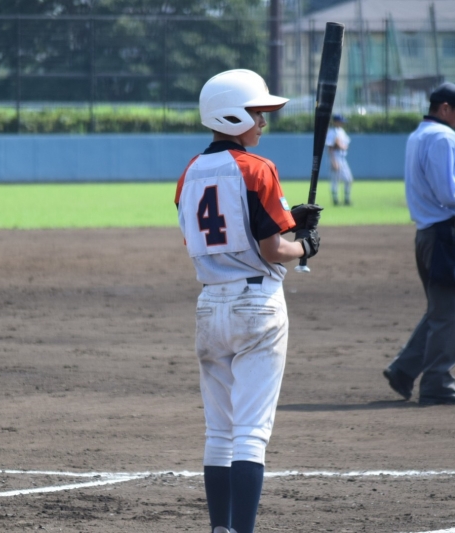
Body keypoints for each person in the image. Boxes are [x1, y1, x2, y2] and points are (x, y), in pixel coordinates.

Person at [175, 69, 321, 533]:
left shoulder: (188, 174)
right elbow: (271, 250)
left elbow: (209, 236)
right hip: (257, 308)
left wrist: (288, 221)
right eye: (258, 113)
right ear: (232, 115)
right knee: (251, 434)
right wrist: (304, 245)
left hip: (209, 306)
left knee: (219, 433)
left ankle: (221, 529)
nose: (263, 122)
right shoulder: (258, 168)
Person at [383, 82, 455, 406]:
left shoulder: (418, 135)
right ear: (445, 108)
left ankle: (403, 370)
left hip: (427, 234)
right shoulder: (443, 137)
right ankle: (437, 381)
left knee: (441, 309)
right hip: (446, 236)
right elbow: (449, 193)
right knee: (450, 312)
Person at [325, 113, 353, 206]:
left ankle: (347, 199)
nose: (342, 123)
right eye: (340, 121)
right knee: (335, 180)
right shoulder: (332, 132)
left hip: (342, 158)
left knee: (348, 179)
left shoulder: (341, 131)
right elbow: (330, 148)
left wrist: (341, 145)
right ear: (335, 122)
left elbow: (345, 145)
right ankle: (335, 200)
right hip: (335, 157)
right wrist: (333, 161)